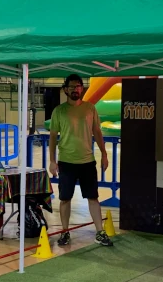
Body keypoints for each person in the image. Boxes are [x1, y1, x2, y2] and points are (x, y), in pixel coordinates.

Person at [48, 74, 114, 247]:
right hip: (67, 162)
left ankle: (100, 232)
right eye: (71, 86)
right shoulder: (59, 111)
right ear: (65, 89)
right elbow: (53, 137)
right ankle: (64, 232)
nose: (75, 89)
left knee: (93, 197)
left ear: (82, 89)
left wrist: (104, 155)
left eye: (78, 86)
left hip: (87, 162)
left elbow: (97, 132)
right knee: (65, 199)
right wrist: (52, 160)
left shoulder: (90, 108)